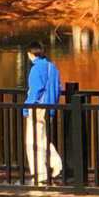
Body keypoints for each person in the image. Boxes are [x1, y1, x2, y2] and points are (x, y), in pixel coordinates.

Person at [24, 40, 62, 185]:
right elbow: (57, 87)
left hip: (37, 108)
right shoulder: (52, 67)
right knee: (42, 138)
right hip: (49, 108)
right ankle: (56, 164)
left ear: (30, 54)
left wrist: (27, 107)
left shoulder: (36, 69)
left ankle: (40, 173)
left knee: (32, 140)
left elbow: (36, 89)